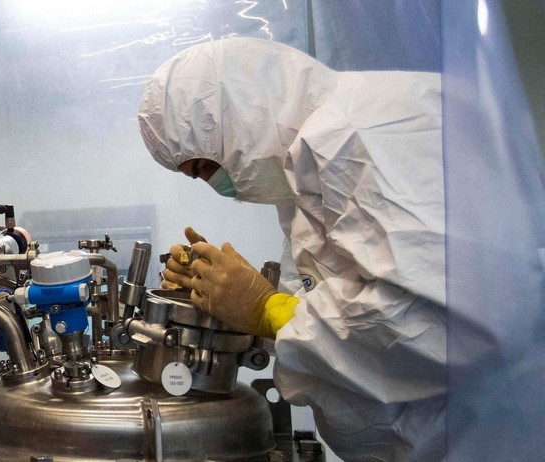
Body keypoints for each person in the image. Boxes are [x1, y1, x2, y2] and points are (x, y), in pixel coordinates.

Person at [137, 38, 445, 461]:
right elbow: (342, 292)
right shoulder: (309, 171)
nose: (211, 182)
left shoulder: (353, 135)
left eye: (206, 166)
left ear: (239, 118)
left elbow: (429, 324)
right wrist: (230, 295)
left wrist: (270, 310)